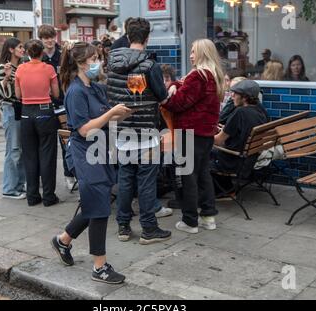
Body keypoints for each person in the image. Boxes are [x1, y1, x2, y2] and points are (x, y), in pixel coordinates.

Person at [53, 42, 133, 284]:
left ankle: (63, 240)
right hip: (85, 153)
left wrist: (124, 111)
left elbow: (103, 117)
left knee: (96, 203)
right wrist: (111, 114)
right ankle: (99, 267)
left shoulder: (96, 88)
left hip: (101, 151)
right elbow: (86, 129)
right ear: (81, 62)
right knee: (99, 208)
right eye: (96, 58)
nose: (100, 62)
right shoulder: (75, 92)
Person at [107, 17, 172, 244]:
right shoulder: (149, 65)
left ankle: (123, 227)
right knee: (146, 181)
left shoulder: (112, 62)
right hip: (145, 132)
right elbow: (162, 97)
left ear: (127, 35)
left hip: (122, 130)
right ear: (147, 38)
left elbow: (116, 94)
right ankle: (149, 229)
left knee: (125, 179)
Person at [162, 39, 224, 234]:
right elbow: (181, 85)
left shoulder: (198, 75)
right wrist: (173, 84)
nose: (190, 55)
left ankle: (190, 221)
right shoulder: (213, 75)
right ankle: (208, 216)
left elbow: (178, 104)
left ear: (203, 53)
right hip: (206, 133)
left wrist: (166, 98)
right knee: (203, 174)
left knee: (188, 177)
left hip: (189, 133)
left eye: (193, 51)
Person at [15, 40, 60, 207]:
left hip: (26, 112)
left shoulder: (20, 69)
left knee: (29, 155)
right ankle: (49, 196)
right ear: (42, 53)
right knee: (47, 154)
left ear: (27, 53)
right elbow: (56, 93)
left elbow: (18, 95)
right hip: (44, 112)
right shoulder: (48, 69)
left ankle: (32, 196)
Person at [212, 80, 268, 198]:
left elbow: (217, 140)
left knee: (194, 150)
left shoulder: (240, 112)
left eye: (235, 93)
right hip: (248, 159)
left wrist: (200, 134)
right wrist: (224, 128)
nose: (232, 96)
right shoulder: (260, 110)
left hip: (233, 161)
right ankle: (227, 189)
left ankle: (221, 191)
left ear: (245, 97)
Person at [38, 24, 76, 190]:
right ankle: (43, 178)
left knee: (66, 143)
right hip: (44, 106)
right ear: (41, 39)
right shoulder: (37, 56)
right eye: (46, 38)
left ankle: (69, 174)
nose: (50, 41)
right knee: (45, 145)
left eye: (52, 37)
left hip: (62, 105)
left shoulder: (62, 55)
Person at [0, 38, 26, 200]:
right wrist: (6, 78)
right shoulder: (2, 67)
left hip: (21, 110)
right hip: (10, 109)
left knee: (20, 150)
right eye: (20, 47)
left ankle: (19, 185)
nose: (23, 50)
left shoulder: (21, 66)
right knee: (13, 150)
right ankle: (9, 188)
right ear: (11, 49)